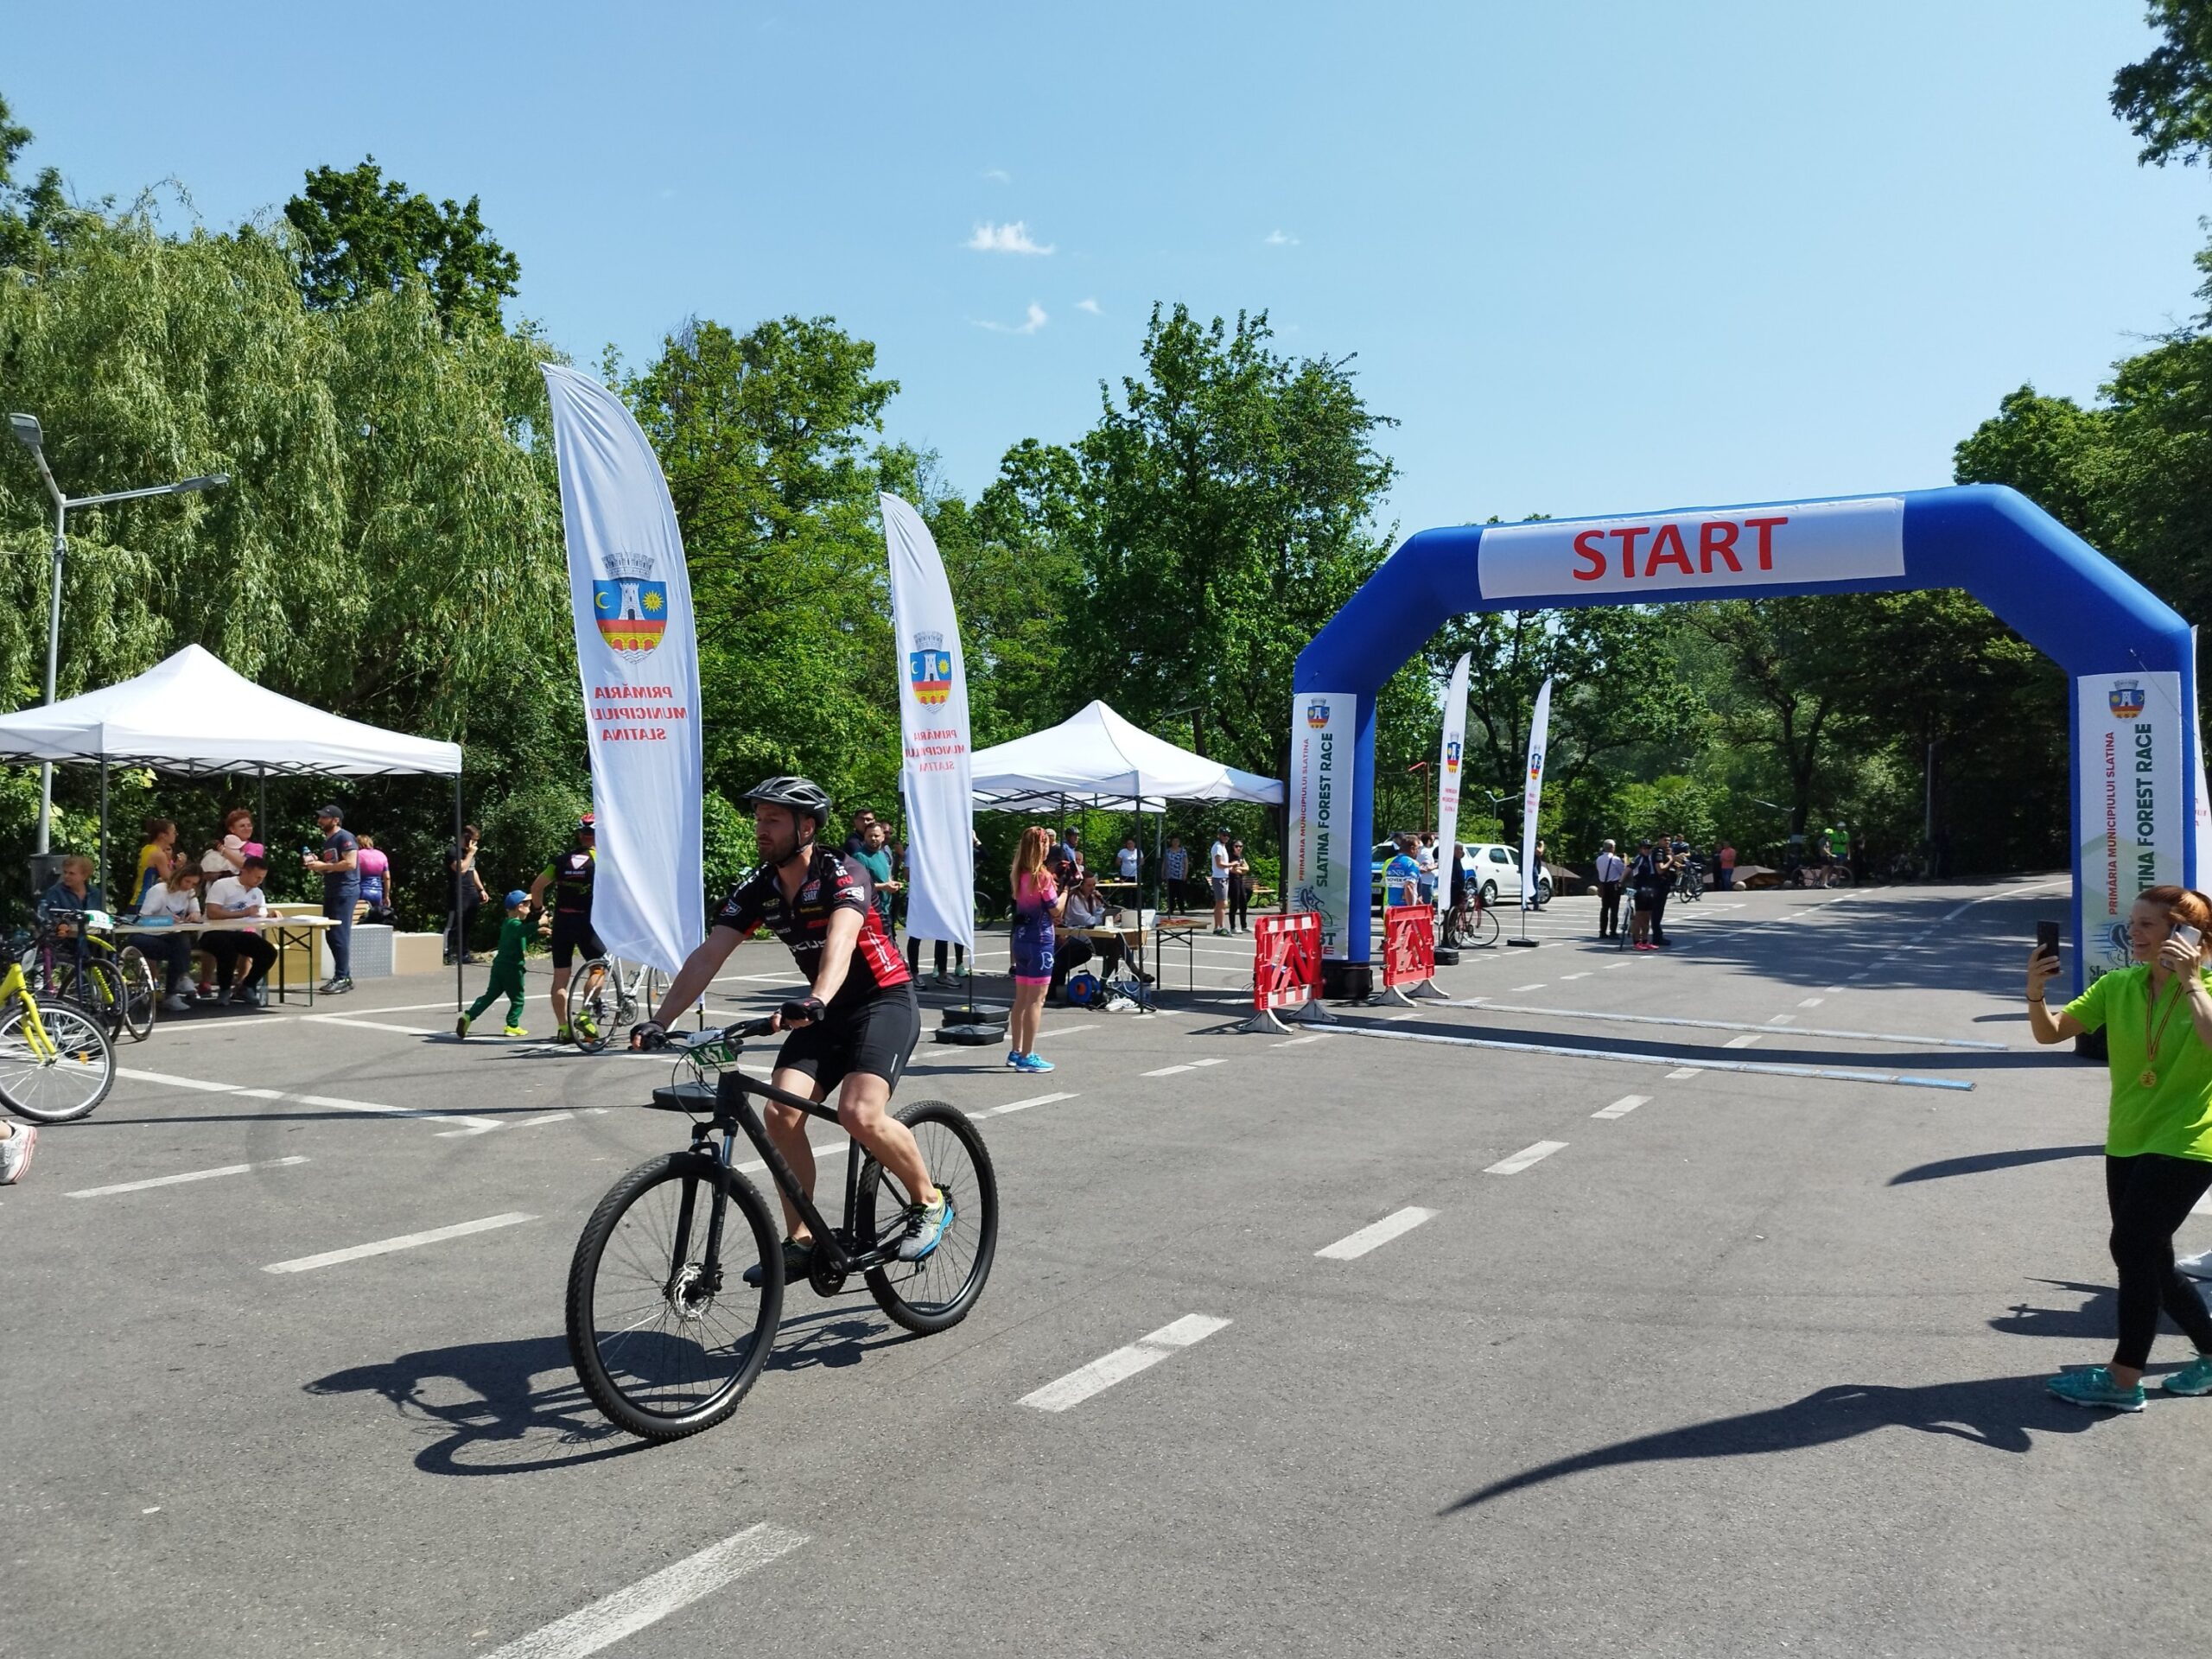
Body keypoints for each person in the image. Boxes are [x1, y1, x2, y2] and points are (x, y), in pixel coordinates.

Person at [631, 777, 949, 1279]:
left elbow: (842, 940)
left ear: (807, 826)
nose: (761, 829)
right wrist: (659, 1020)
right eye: (759, 819)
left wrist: (816, 997)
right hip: (823, 1011)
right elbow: (710, 954)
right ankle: (803, 1239)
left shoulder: (844, 872)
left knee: (859, 1113)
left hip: (882, 1001)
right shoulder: (760, 887)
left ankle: (928, 1201)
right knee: (779, 1113)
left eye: (773, 820)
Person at [2027, 885, 2212, 1409]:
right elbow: (2051, 1033)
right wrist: (2035, 993)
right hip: (2128, 1137)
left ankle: (2124, 1378)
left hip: (2190, 1139)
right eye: (2133, 923)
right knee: (2153, 1258)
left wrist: (2191, 981)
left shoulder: (2207, 988)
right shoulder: (2117, 985)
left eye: (2147, 925)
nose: (2134, 934)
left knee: (2131, 1248)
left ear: (2188, 935)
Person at [528, 815, 602, 1044]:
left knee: (560, 979)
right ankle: (584, 1015)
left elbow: (536, 887)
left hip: (562, 923)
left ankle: (564, 1028)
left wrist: (540, 911)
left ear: (579, 835)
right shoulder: (602, 860)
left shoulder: (560, 861)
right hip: (588, 923)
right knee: (598, 970)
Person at [1007, 824, 1068, 1071]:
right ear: (1040, 847)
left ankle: (1016, 1050)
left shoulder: (1019, 873)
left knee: (1021, 999)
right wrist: (1066, 891)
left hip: (1021, 940)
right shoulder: (1041, 876)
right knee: (1036, 1000)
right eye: (1046, 844)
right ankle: (1028, 1055)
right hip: (1040, 941)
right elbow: (1055, 909)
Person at [455, 890, 532, 1039]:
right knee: (518, 1000)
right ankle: (512, 1025)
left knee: (490, 996)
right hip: (512, 968)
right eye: (528, 905)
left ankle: (469, 1016)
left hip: (499, 967)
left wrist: (538, 932)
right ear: (520, 907)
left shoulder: (508, 924)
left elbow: (522, 936)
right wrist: (539, 924)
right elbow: (524, 931)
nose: (530, 908)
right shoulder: (516, 925)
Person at [204, 855, 278, 1005]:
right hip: (214, 931)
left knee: (269, 952)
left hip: (239, 932)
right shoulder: (222, 885)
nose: (259, 881)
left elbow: (260, 914)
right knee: (228, 950)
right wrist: (243, 913)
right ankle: (224, 990)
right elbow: (212, 913)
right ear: (245, 872)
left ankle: (247, 986)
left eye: (262, 878)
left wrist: (271, 916)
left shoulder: (258, 893)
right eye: (257, 877)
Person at [302, 804, 359, 993]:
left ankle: (342, 977)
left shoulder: (345, 837)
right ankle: (344, 976)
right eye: (319, 818)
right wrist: (318, 866)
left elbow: (350, 864)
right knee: (332, 935)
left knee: (339, 935)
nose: (320, 821)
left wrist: (324, 865)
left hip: (345, 891)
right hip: (333, 890)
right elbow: (332, 868)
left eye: (324, 818)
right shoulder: (329, 841)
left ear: (335, 820)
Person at [137, 866, 208, 1013]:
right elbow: (143, 919)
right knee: (179, 948)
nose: (189, 886)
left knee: (181, 941)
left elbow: (197, 913)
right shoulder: (159, 890)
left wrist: (194, 915)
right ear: (179, 877)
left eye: (194, 884)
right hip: (146, 935)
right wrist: (167, 920)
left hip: (171, 936)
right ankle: (178, 984)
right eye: (187, 881)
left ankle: (175, 988)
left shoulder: (190, 892)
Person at [446, 824, 488, 964]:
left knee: (467, 925)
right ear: (466, 838)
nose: (475, 844)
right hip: (458, 893)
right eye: (473, 840)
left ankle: (464, 954)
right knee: (455, 924)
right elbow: (461, 869)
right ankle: (449, 954)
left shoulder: (468, 853)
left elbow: (472, 870)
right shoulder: (453, 851)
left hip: (471, 892)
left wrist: (481, 889)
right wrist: (471, 854)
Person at [855, 819, 899, 933]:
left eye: (876, 836)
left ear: (883, 837)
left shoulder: (882, 854)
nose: (873, 838)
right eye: (870, 836)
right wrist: (884, 886)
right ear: (865, 837)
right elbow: (860, 886)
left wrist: (891, 883)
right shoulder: (860, 857)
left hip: (885, 909)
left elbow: (885, 877)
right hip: (872, 912)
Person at [200, 807, 263, 877]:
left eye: (249, 825)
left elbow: (246, 865)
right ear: (232, 829)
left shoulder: (256, 847)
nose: (247, 828)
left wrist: (221, 848)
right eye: (242, 826)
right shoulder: (223, 843)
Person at [133, 817, 178, 909]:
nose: (176, 835)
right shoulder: (159, 854)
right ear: (163, 835)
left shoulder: (146, 849)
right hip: (146, 902)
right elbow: (169, 880)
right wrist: (178, 866)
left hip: (138, 899)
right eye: (174, 832)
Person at [1627, 838, 1662, 950]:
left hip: (1649, 890)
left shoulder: (1650, 858)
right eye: (1645, 848)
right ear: (1640, 849)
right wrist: (1620, 882)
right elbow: (1628, 869)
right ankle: (1636, 942)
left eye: (1649, 848)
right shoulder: (1638, 859)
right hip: (1639, 890)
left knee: (1647, 916)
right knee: (1639, 916)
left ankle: (1645, 941)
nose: (1647, 850)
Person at [356, 834, 394, 926]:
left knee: (359, 921)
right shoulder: (382, 855)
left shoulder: (357, 855)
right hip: (378, 893)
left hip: (362, 891)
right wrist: (386, 896)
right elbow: (387, 877)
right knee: (377, 920)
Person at [1593, 839, 1626, 938]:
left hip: (1603, 884)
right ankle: (1613, 932)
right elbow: (1623, 871)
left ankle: (1602, 931)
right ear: (1612, 847)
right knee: (1614, 909)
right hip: (1614, 885)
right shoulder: (1615, 859)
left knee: (1604, 909)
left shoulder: (1599, 859)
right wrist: (1624, 861)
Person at [1383, 834, 1422, 910]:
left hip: (1389, 907)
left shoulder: (1388, 862)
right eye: (1418, 849)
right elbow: (1409, 887)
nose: (1418, 852)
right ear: (1412, 849)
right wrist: (1410, 909)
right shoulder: (1412, 864)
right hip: (1404, 908)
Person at [1210, 829, 1234, 935]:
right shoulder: (1218, 847)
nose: (1226, 837)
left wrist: (1232, 867)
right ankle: (1220, 927)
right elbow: (1219, 864)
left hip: (1223, 877)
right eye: (1224, 835)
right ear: (1219, 835)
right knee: (1222, 903)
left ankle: (1217, 927)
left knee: (1220, 903)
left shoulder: (1222, 847)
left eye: (1228, 835)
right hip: (1219, 878)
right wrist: (1232, 864)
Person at [1227, 838, 1254, 933]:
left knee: (1244, 903)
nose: (1238, 848)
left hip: (1240, 881)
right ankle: (1233, 927)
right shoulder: (1230, 856)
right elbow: (1232, 870)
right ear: (1233, 847)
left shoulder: (1241, 857)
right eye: (1236, 846)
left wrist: (1239, 868)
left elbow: (1247, 868)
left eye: (1240, 846)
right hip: (1232, 881)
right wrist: (1240, 869)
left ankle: (1244, 926)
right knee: (1234, 904)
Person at [1162, 835, 1190, 913]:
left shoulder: (1183, 851)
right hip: (1170, 875)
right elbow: (1164, 862)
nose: (1175, 843)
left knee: (1180, 893)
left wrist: (1185, 873)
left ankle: (1182, 909)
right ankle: (1171, 909)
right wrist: (1162, 872)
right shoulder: (1167, 851)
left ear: (1179, 842)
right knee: (1170, 893)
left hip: (1179, 875)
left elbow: (1186, 863)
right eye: (1174, 841)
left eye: (1177, 841)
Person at [1415, 831, 1440, 908]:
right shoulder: (1426, 852)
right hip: (1426, 883)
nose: (1433, 842)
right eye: (1433, 840)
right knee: (1426, 906)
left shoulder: (1420, 850)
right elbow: (1426, 868)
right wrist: (1437, 865)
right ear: (1429, 841)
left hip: (1422, 881)